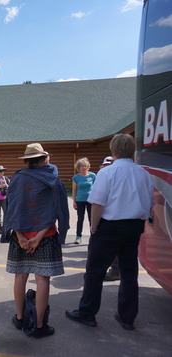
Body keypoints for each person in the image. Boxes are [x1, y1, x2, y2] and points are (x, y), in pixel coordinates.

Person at [66, 134, 153, 331]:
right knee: (129, 273)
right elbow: (149, 203)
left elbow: (97, 203)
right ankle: (127, 317)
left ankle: (87, 313)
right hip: (134, 226)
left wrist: (94, 227)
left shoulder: (107, 173)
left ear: (112, 151)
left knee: (95, 271)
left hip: (110, 227)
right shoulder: (143, 173)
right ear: (133, 152)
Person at [4, 143, 69, 338]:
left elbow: (11, 209)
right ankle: (39, 326)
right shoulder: (53, 180)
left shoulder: (16, 179)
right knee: (42, 279)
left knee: (20, 276)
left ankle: (20, 317)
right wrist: (39, 236)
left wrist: (20, 235)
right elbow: (58, 211)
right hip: (46, 236)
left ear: (27, 160)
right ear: (43, 159)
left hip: (20, 237)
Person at [72, 158, 96, 244]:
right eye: (82, 166)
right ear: (79, 167)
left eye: (85, 166)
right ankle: (78, 236)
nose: (83, 167)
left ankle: (93, 236)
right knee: (80, 219)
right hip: (80, 200)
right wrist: (74, 201)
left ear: (88, 167)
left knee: (91, 219)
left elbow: (96, 188)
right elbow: (74, 190)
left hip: (91, 200)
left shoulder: (93, 176)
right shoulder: (76, 177)